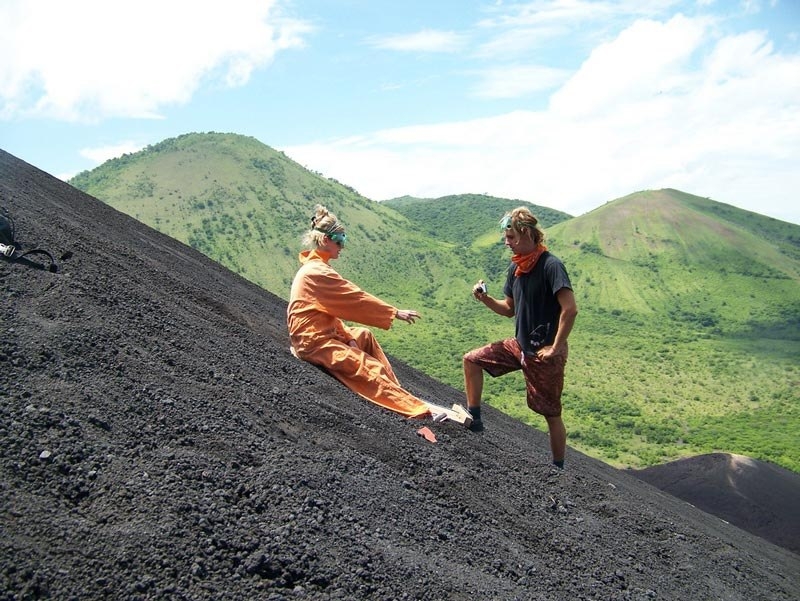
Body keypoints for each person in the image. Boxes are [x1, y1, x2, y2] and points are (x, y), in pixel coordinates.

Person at [287, 204, 431, 418]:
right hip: (313, 342)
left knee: (364, 336)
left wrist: (346, 336)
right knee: (370, 367)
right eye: (340, 240)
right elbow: (355, 298)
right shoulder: (316, 272)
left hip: (325, 333)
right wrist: (394, 312)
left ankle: (395, 389)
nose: (342, 246)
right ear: (326, 240)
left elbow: (330, 312)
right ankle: (415, 410)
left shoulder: (318, 268)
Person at [463, 207, 578, 469]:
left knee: (551, 413)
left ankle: (558, 469)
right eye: (506, 238)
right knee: (472, 360)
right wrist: (484, 298)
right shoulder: (516, 269)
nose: (507, 243)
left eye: (512, 237)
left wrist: (555, 347)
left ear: (528, 234)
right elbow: (508, 309)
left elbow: (570, 309)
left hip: (544, 353)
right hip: (520, 345)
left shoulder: (551, 266)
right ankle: (475, 418)